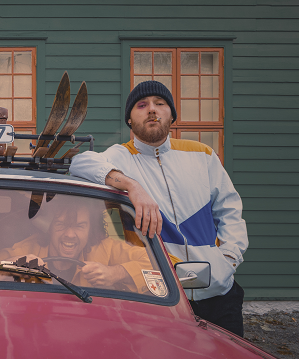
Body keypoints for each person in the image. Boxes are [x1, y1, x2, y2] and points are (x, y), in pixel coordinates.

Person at [69, 80, 248, 336]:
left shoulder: (203, 155)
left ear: (172, 115)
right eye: (142, 105)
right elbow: (79, 163)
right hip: (160, 293)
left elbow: (229, 210)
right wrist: (132, 186)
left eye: (160, 103)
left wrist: (229, 259)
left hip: (219, 292)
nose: (152, 109)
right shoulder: (119, 156)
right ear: (129, 119)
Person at [0, 202, 153, 293]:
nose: (69, 234)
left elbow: (155, 264)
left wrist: (114, 273)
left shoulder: (105, 248)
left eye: (79, 226)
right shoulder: (26, 249)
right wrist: (9, 269)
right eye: (61, 225)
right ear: (49, 228)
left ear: (90, 229)